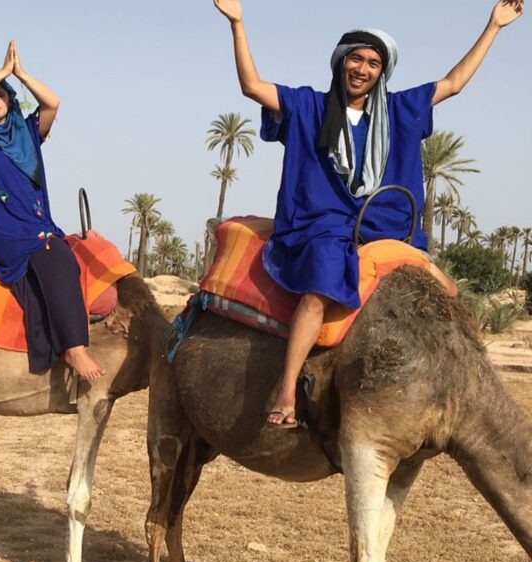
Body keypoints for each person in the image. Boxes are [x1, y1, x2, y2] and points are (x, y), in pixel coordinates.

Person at [213, 0, 524, 428]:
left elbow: (453, 82)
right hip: (320, 227)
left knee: (447, 290)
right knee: (319, 289)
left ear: (382, 71)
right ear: (341, 63)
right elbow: (252, 86)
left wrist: (494, 26)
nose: (363, 68)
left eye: (373, 63)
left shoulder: (401, 110)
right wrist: (237, 23)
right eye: (356, 58)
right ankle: (286, 390)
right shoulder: (308, 107)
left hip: (384, 226)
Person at [0, 40, 104, 380]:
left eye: (0, 94)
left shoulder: (28, 134)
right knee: (57, 258)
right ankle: (74, 350)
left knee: (75, 251)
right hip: (5, 230)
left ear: (11, 100)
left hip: (38, 225)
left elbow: (53, 102)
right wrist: (2, 73)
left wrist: (20, 74)